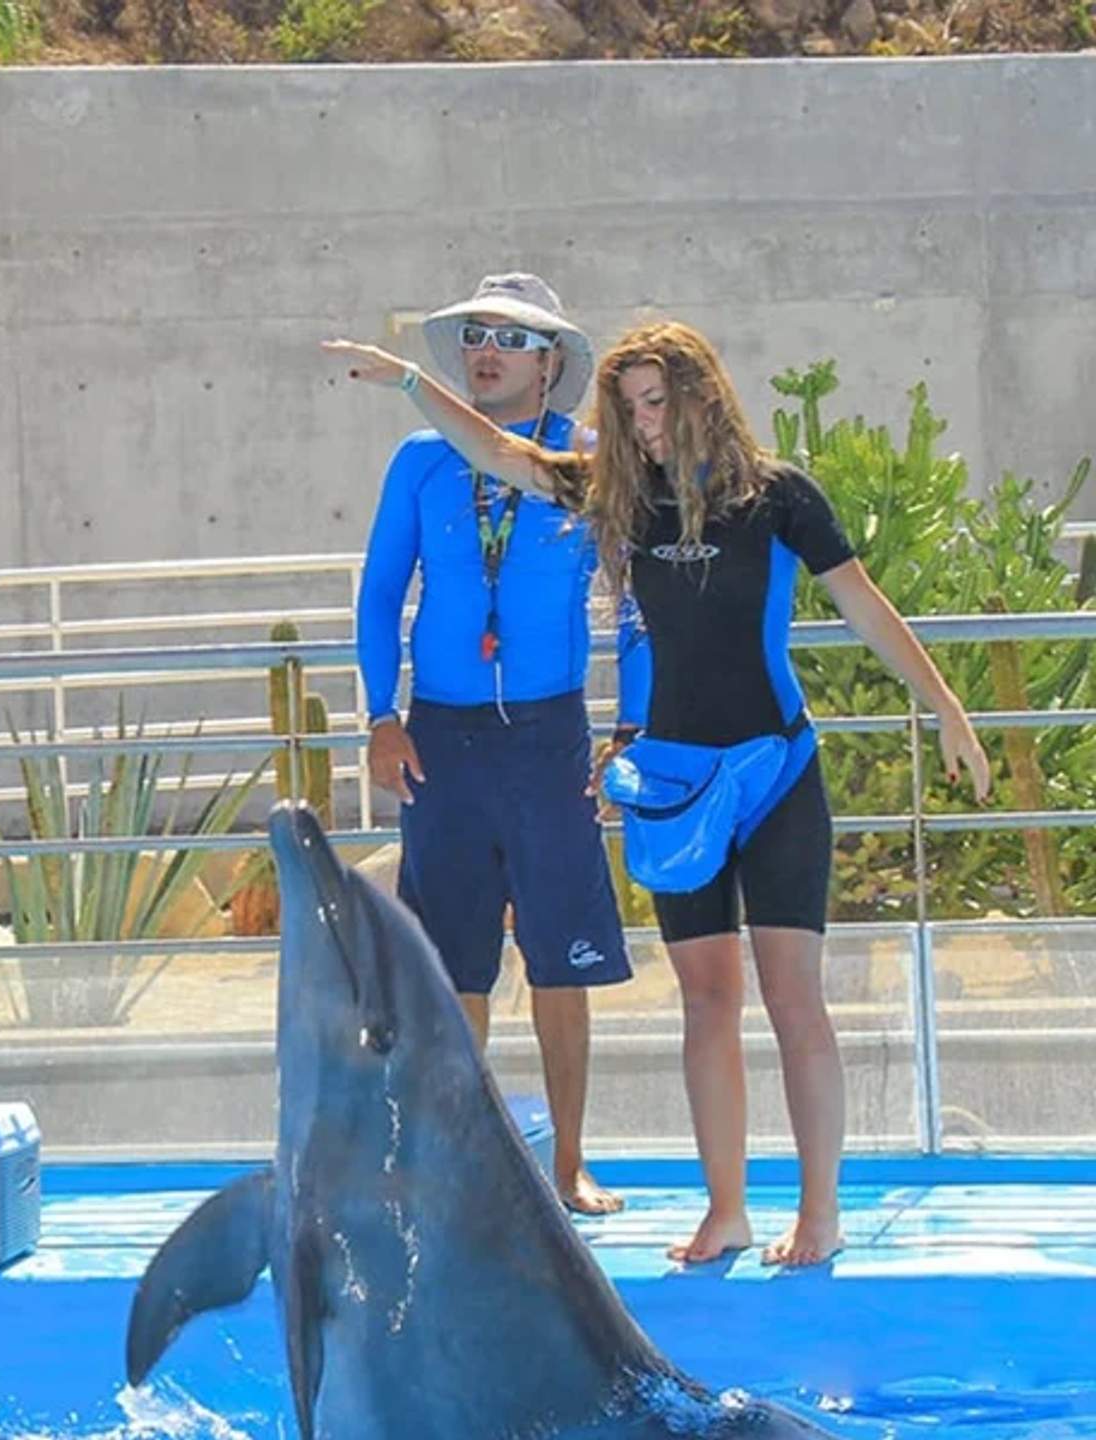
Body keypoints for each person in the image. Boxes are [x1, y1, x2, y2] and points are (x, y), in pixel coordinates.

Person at [324, 319, 992, 1268]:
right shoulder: (624, 502)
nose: (641, 424)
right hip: (677, 785)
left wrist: (946, 709)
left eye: (656, 402)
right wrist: (405, 385)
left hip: (774, 771)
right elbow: (503, 452)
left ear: (702, 395)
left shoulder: (780, 496)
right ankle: (727, 1210)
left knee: (793, 998)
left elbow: (863, 603)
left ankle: (820, 1213)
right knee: (706, 999)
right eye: (628, 407)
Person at [354, 273, 634, 1217]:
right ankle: (464, 1166)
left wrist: (631, 724)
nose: (486, 350)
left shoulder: (591, 462)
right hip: (442, 734)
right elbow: (380, 595)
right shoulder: (421, 462)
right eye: (475, 333)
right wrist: (379, 716)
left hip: (549, 737)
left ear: (551, 362)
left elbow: (636, 606)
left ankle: (568, 1164)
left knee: (562, 958)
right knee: (454, 962)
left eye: (510, 339)